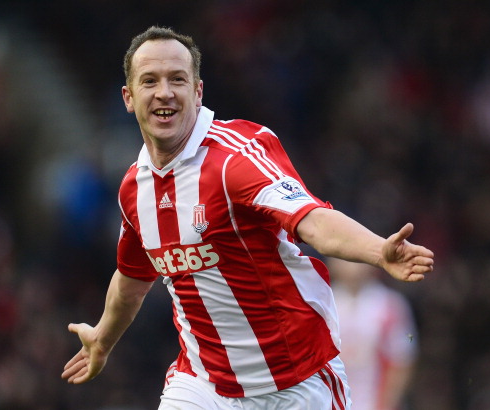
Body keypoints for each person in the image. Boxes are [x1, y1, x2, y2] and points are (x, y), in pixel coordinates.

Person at [61, 26, 434, 410]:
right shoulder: (133, 189)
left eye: (177, 79)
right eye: (150, 81)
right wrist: (102, 339)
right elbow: (131, 280)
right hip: (203, 384)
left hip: (296, 382)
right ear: (128, 97)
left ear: (198, 92)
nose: (164, 92)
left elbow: (313, 221)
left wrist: (378, 251)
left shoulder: (236, 158)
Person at [328, 258, 418, 410]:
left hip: (374, 402)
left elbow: (402, 359)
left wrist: (387, 404)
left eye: (356, 258)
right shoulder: (321, 303)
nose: (352, 265)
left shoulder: (390, 304)